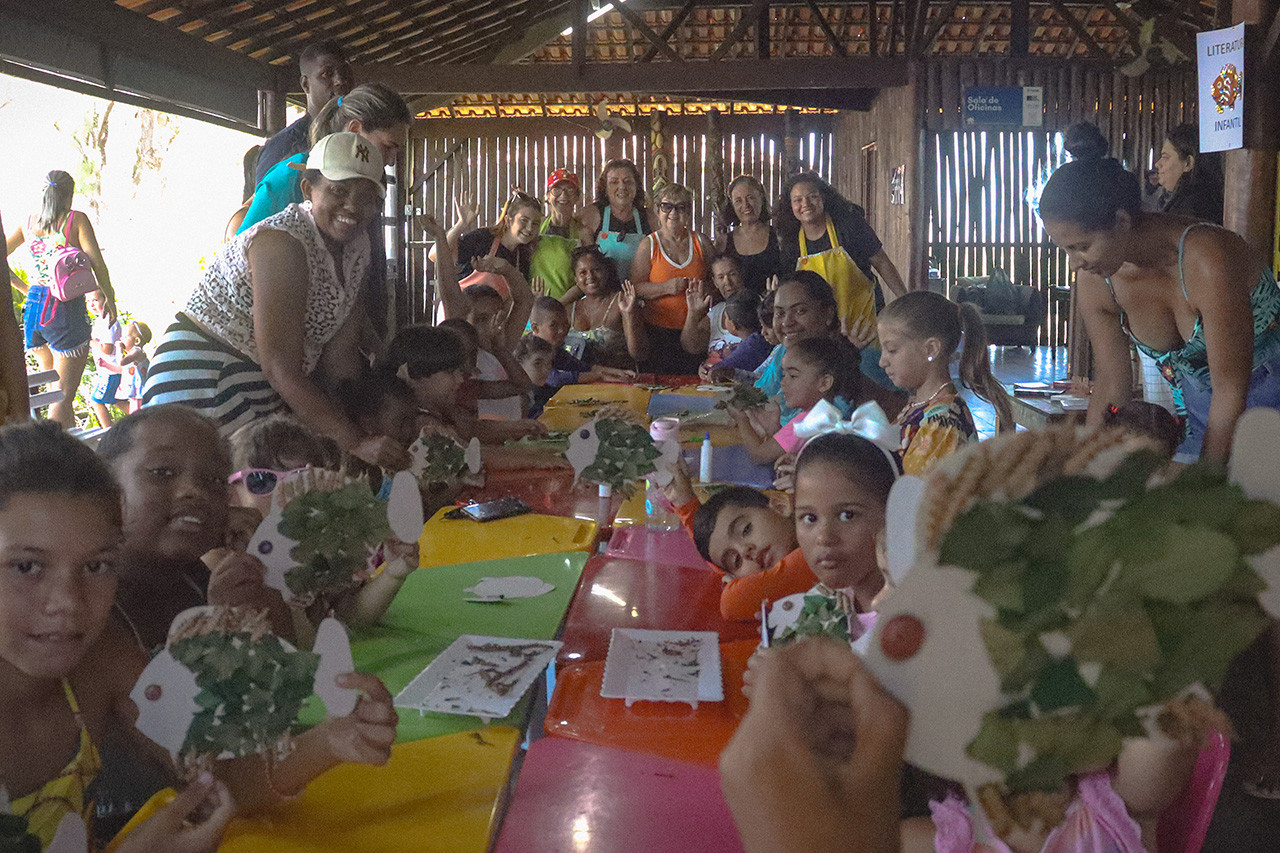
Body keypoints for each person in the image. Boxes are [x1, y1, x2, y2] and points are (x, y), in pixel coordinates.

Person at [0, 420, 240, 853]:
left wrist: (334, 739)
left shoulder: (102, 660)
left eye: (96, 566)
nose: (69, 603)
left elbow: (221, 771)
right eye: (26, 567)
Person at [141, 133, 409, 472]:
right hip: (207, 379)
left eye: (367, 197)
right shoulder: (282, 242)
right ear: (308, 188)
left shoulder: (357, 249)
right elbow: (280, 367)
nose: (353, 207)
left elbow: (340, 358)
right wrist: (355, 442)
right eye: (338, 191)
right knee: (232, 498)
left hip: (266, 387)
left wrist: (362, 424)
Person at [1038, 149, 1280, 462]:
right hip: (1205, 423)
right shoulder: (1098, 281)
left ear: (1121, 221)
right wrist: (1087, 467)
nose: (1074, 264)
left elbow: (1231, 389)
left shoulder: (1206, 260)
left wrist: (1201, 485)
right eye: (1065, 250)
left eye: (1081, 247)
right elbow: (1112, 383)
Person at [6, 170, 116, 427]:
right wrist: (110, 298)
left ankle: (57, 447)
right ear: (70, 195)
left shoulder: (28, 222)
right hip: (65, 311)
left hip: (34, 311)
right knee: (63, 397)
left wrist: (26, 288)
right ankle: (53, 459)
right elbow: (97, 263)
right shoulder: (75, 220)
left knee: (52, 391)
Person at [777, 171, 905, 386]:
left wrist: (904, 298)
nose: (805, 204)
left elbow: (881, 262)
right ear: (790, 206)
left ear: (823, 198)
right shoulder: (791, 243)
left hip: (863, 330)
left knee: (870, 389)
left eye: (812, 196)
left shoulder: (849, 226)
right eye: (797, 200)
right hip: (820, 339)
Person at [239, 83, 410, 234]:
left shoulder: (372, 185)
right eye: (387, 147)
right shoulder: (290, 177)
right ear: (355, 130)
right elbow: (245, 249)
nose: (391, 161)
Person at [877, 291, 1013, 475]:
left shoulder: (944, 421)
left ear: (931, 349)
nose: (882, 362)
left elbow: (919, 495)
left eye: (892, 350)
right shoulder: (918, 404)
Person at [755, 272, 903, 426]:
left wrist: (848, 365)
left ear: (828, 313)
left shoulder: (862, 361)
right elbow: (766, 400)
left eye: (800, 311)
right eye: (779, 313)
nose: (786, 322)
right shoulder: (786, 353)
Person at [629, 183, 713, 375]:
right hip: (657, 333)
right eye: (667, 207)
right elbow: (634, 288)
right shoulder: (648, 245)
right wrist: (666, 288)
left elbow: (716, 281)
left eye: (680, 207)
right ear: (658, 210)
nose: (673, 213)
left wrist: (704, 290)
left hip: (696, 332)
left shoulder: (701, 242)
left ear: (688, 212)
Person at [734, 337, 859, 465]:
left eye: (793, 376)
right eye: (784, 375)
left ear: (825, 383)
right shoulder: (828, 414)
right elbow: (783, 452)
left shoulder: (810, 421)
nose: (783, 382)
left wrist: (741, 419)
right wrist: (775, 430)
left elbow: (759, 455)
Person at [254, 41, 353, 183]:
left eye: (345, 73)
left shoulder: (358, 138)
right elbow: (267, 201)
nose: (339, 81)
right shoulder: (284, 145)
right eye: (327, 74)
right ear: (306, 85)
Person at [528, 296, 633, 396]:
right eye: (553, 326)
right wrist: (600, 376)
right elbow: (555, 379)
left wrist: (618, 372)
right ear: (535, 328)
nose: (561, 330)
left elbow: (582, 367)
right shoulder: (529, 350)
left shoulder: (553, 349)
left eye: (565, 324)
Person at [578, 158, 651, 281]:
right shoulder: (591, 215)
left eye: (628, 182)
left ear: (636, 186)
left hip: (640, 293)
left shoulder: (650, 218)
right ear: (605, 188)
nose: (622, 186)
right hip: (602, 294)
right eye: (614, 182)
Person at [560, 245, 632, 369]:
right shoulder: (569, 310)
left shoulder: (622, 302)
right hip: (577, 383)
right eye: (583, 273)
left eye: (596, 270)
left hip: (617, 381)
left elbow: (639, 354)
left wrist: (631, 315)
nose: (590, 276)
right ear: (576, 279)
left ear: (606, 272)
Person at [719, 174, 783, 294]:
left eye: (750, 198)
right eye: (738, 201)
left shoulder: (779, 237)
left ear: (761, 198)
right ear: (732, 205)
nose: (745, 205)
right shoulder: (723, 242)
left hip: (773, 309)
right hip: (736, 310)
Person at [529, 169, 588, 299]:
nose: (563, 196)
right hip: (533, 304)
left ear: (577, 198)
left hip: (568, 305)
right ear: (547, 196)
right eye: (557, 190)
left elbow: (587, 277)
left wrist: (561, 304)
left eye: (570, 191)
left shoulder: (583, 233)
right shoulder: (536, 226)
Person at [1155, 123, 1224, 224]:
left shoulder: (1192, 210)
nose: (1157, 164)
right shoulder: (1175, 201)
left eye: (1165, 157)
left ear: (1188, 163)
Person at [686, 253, 746, 365]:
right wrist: (692, 313)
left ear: (741, 275)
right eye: (721, 277)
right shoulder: (716, 312)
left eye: (732, 274)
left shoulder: (758, 307)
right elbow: (692, 347)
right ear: (715, 282)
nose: (727, 282)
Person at [701, 290, 771, 381]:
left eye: (726, 317)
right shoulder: (753, 341)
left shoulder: (754, 345)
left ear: (733, 325)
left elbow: (718, 370)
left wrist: (707, 369)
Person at [0, 212, 29, 424]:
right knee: (63, 389)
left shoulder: (28, 224)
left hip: (39, 305)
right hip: (61, 308)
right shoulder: (75, 221)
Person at [87, 288, 123, 428]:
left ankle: (108, 432)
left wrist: (89, 341)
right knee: (118, 400)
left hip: (110, 371)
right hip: (108, 371)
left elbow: (107, 350)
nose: (91, 304)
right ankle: (143, 418)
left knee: (96, 401)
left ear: (106, 300)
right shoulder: (100, 320)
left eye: (95, 300)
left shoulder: (109, 322)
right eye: (88, 301)